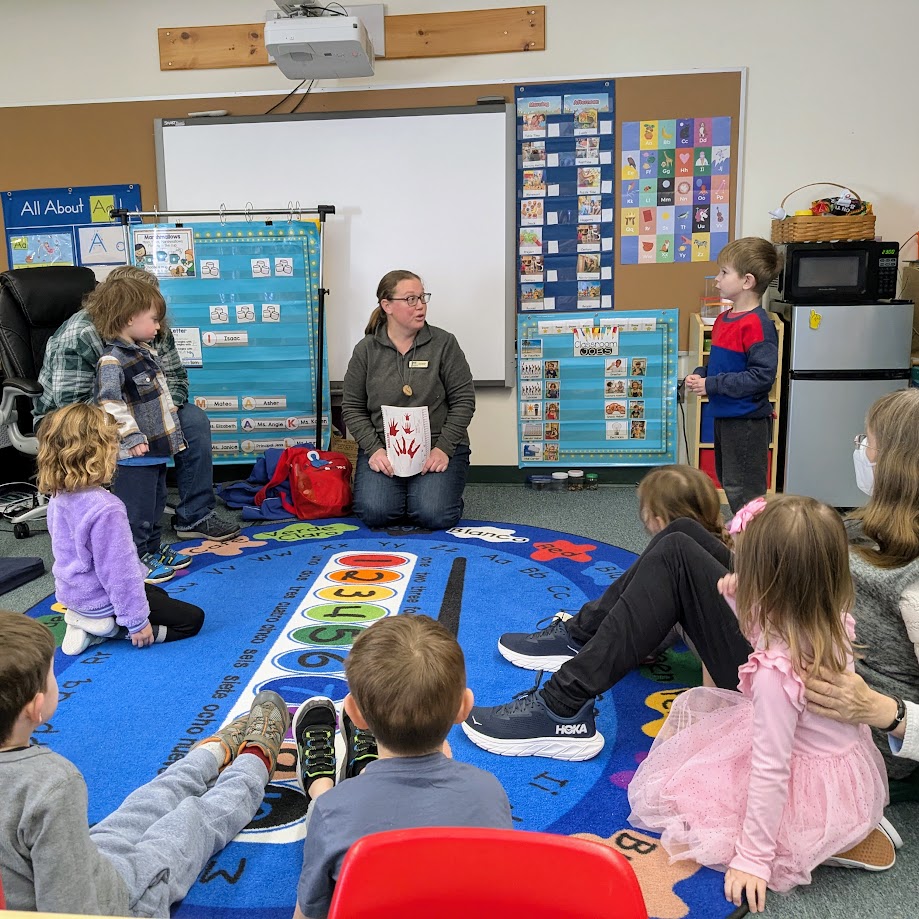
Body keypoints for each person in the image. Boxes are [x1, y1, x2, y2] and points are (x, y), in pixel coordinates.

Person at [628, 496, 889, 914]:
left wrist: (753, 859)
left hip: (797, 778)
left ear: (765, 582)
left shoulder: (774, 676)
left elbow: (771, 768)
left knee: (690, 788)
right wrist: (739, 603)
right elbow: (768, 636)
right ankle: (845, 824)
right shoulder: (832, 620)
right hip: (843, 766)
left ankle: (824, 839)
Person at [0, 610, 291, 915]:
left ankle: (211, 755)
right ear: (36, 707)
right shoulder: (52, 783)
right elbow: (75, 909)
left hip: (84, 874)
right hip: (120, 904)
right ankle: (254, 761)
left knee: (144, 805)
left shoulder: (43, 784)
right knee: (193, 823)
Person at [465, 465, 733, 757]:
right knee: (680, 534)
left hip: (763, 663)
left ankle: (562, 704)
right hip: (760, 625)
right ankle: (578, 635)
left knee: (674, 553)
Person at [291, 614, 512, 919]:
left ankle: (322, 785)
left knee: (323, 807)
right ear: (464, 706)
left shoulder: (331, 810)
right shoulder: (489, 790)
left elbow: (310, 912)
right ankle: (363, 768)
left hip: (342, 811)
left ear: (355, 714)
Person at [35, 265, 239, 548]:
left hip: (142, 409)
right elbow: (71, 406)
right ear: (125, 309)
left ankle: (195, 516)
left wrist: (158, 411)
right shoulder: (79, 334)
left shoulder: (153, 327)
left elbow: (176, 379)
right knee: (129, 446)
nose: (157, 321)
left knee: (193, 421)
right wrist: (134, 420)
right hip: (76, 419)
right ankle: (124, 535)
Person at [38, 403, 204, 656]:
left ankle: (85, 618)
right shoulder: (106, 507)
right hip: (102, 601)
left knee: (157, 593)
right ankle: (110, 630)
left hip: (74, 595)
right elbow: (119, 571)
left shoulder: (58, 496)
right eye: (113, 445)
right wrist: (136, 623)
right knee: (192, 619)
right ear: (98, 453)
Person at [342, 270, 475, 530]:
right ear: (387, 305)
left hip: (436, 448)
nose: (420, 306)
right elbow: (352, 408)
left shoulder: (444, 343)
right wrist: (374, 449)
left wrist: (443, 448)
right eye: (411, 299)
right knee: (374, 513)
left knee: (434, 515)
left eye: (422, 297)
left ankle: (433, 496)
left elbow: (464, 401)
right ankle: (406, 495)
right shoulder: (366, 350)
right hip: (385, 449)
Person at [90, 276, 188, 582]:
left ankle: (152, 549)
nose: (159, 327)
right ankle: (134, 558)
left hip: (155, 449)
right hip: (134, 454)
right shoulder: (112, 360)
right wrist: (131, 436)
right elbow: (110, 403)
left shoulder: (143, 352)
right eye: (154, 319)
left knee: (156, 504)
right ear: (131, 317)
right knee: (136, 511)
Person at [684, 237, 782, 513]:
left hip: (747, 421)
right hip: (724, 416)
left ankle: (753, 535)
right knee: (728, 481)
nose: (717, 279)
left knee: (745, 490)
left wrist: (712, 384)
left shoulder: (758, 325)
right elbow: (721, 364)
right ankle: (743, 530)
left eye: (724, 272)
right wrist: (701, 375)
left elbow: (761, 377)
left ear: (747, 281)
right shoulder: (723, 319)